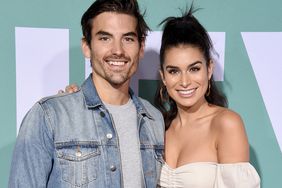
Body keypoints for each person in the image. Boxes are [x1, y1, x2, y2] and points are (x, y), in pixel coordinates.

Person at [8, 0, 165, 187]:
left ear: (141, 47)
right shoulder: (49, 115)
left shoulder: (154, 119)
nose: (118, 50)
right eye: (105, 38)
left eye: (128, 39)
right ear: (86, 46)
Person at [155, 7, 260, 188]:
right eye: (174, 71)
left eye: (194, 69)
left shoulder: (226, 124)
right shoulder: (157, 127)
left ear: (209, 69)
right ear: (163, 76)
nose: (185, 82)